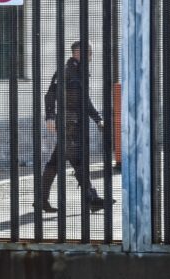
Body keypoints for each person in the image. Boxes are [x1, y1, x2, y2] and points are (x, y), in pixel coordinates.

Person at [36, 41, 111, 213]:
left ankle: (42, 199)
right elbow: (50, 95)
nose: (91, 57)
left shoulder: (80, 72)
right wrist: (50, 117)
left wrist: (98, 119)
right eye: (90, 53)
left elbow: (85, 101)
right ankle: (91, 198)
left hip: (77, 122)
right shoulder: (65, 71)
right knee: (77, 160)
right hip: (68, 123)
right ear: (79, 53)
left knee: (56, 162)